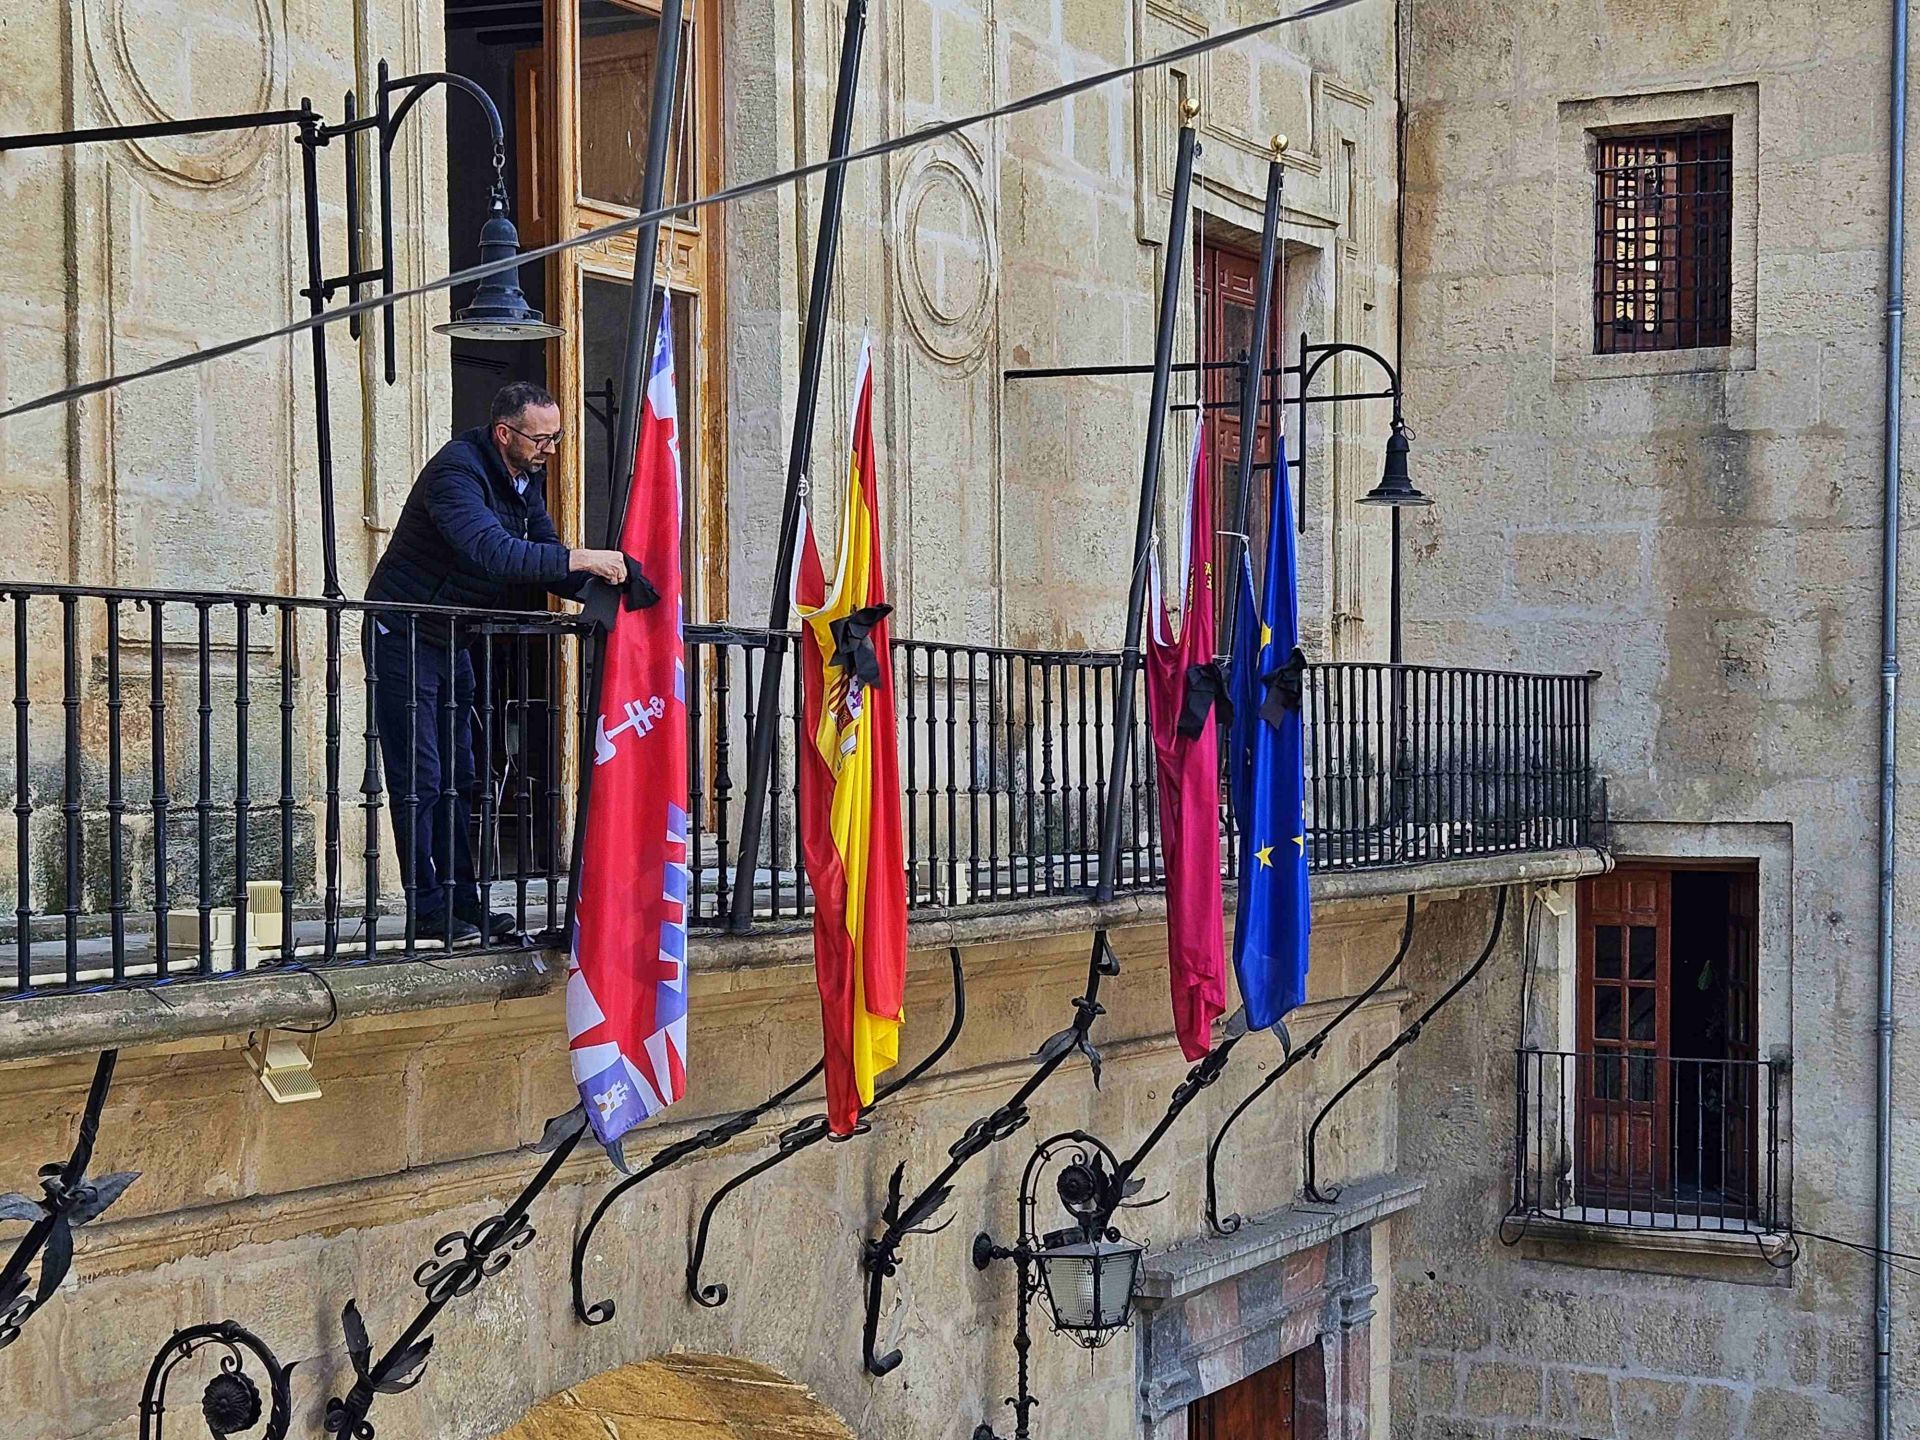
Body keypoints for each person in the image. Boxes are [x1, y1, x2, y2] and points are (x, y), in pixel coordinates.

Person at [366, 381, 627, 944]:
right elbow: (494, 552)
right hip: (403, 631)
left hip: (453, 636)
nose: (550, 450)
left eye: (556, 438)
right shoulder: (456, 474)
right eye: (541, 438)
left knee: (461, 775)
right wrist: (584, 557)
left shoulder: (523, 479)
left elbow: (549, 561)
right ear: (504, 433)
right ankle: (427, 907)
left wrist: (621, 592)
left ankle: (464, 899)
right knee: (422, 776)